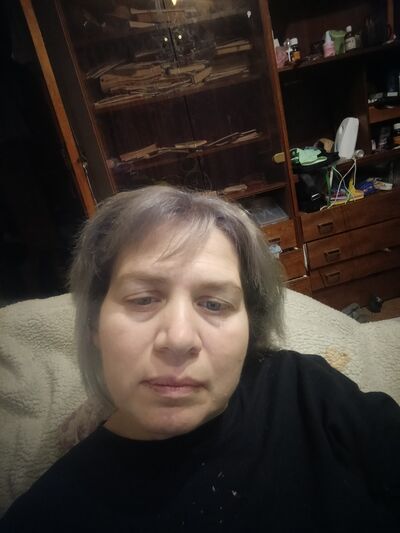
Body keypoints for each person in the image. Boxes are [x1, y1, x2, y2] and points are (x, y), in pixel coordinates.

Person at [1, 185, 399, 532]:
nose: (178, 339)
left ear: (251, 327)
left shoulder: (302, 388)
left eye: (213, 304)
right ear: (94, 325)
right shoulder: (46, 517)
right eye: (143, 299)